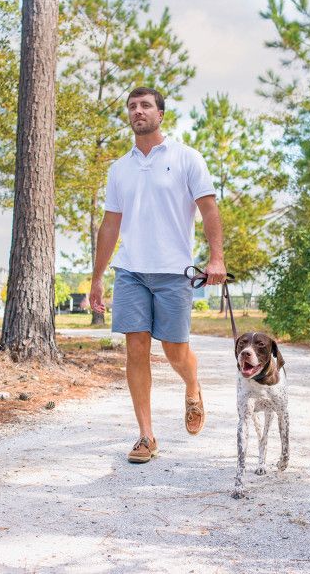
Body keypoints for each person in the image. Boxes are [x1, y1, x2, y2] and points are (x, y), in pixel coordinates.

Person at [89, 86, 226, 464]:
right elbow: (109, 225)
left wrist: (216, 258)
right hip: (130, 272)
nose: (138, 111)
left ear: (160, 114)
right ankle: (146, 436)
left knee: (175, 352)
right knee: (136, 349)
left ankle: (193, 385)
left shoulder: (186, 158)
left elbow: (209, 209)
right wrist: (97, 277)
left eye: (145, 105)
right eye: (132, 106)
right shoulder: (120, 168)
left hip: (173, 273)